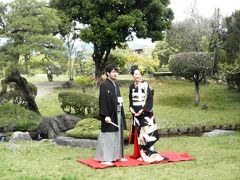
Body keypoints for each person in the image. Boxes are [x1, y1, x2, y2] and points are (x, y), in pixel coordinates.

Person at [128, 65, 165, 163]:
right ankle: (142, 153)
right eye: (136, 74)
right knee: (140, 134)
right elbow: (130, 99)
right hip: (136, 114)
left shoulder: (145, 84)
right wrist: (131, 108)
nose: (138, 75)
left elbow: (149, 98)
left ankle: (151, 151)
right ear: (133, 75)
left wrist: (143, 110)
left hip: (145, 113)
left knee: (149, 132)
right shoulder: (131, 86)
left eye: (139, 74)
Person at [94, 64, 128, 166]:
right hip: (109, 114)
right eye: (113, 72)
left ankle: (118, 156)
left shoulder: (115, 85)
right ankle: (106, 158)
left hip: (117, 113)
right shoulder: (104, 85)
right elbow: (102, 101)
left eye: (116, 71)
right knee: (109, 136)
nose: (115, 73)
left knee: (118, 134)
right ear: (108, 73)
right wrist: (105, 115)